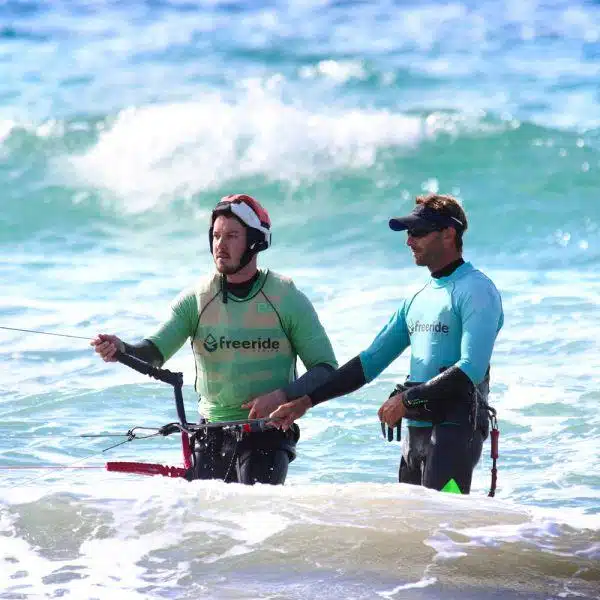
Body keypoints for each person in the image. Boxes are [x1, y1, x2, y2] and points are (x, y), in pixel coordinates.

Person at [92, 194, 337, 485]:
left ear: (255, 241)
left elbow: (326, 369)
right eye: (216, 236)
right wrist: (122, 349)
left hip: (267, 433)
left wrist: (281, 396)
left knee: (254, 517)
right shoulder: (197, 299)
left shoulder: (286, 298)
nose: (220, 245)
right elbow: (154, 353)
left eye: (232, 236)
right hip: (210, 434)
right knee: (208, 524)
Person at [270, 193, 503, 494]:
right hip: (416, 430)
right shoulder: (417, 299)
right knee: (411, 532)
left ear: (449, 234)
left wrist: (406, 400)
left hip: (456, 430)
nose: (409, 241)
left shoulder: (476, 290)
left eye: (418, 232)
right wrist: (305, 402)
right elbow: (369, 362)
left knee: (443, 531)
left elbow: (470, 369)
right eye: (408, 233)